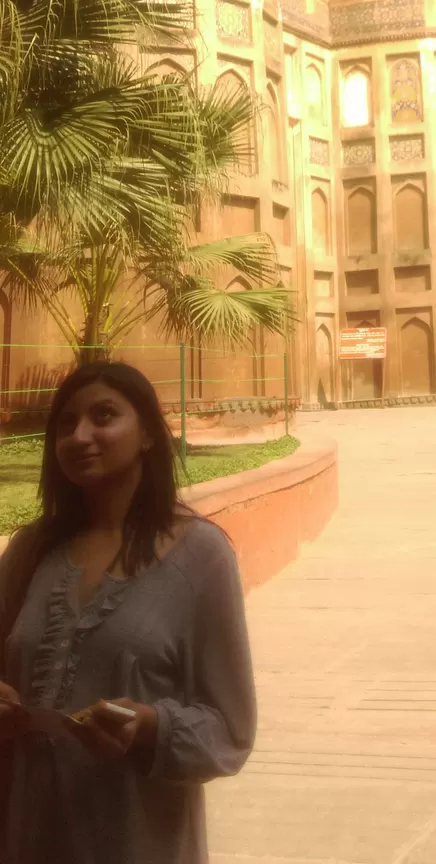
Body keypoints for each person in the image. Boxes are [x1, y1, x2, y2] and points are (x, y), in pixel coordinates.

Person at [0, 361, 256, 863]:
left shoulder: (200, 556)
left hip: (135, 833)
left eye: (104, 415)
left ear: (146, 434)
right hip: (28, 828)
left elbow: (230, 727)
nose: (80, 436)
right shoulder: (32, 550)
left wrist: (151, 729)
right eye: (66, 424)